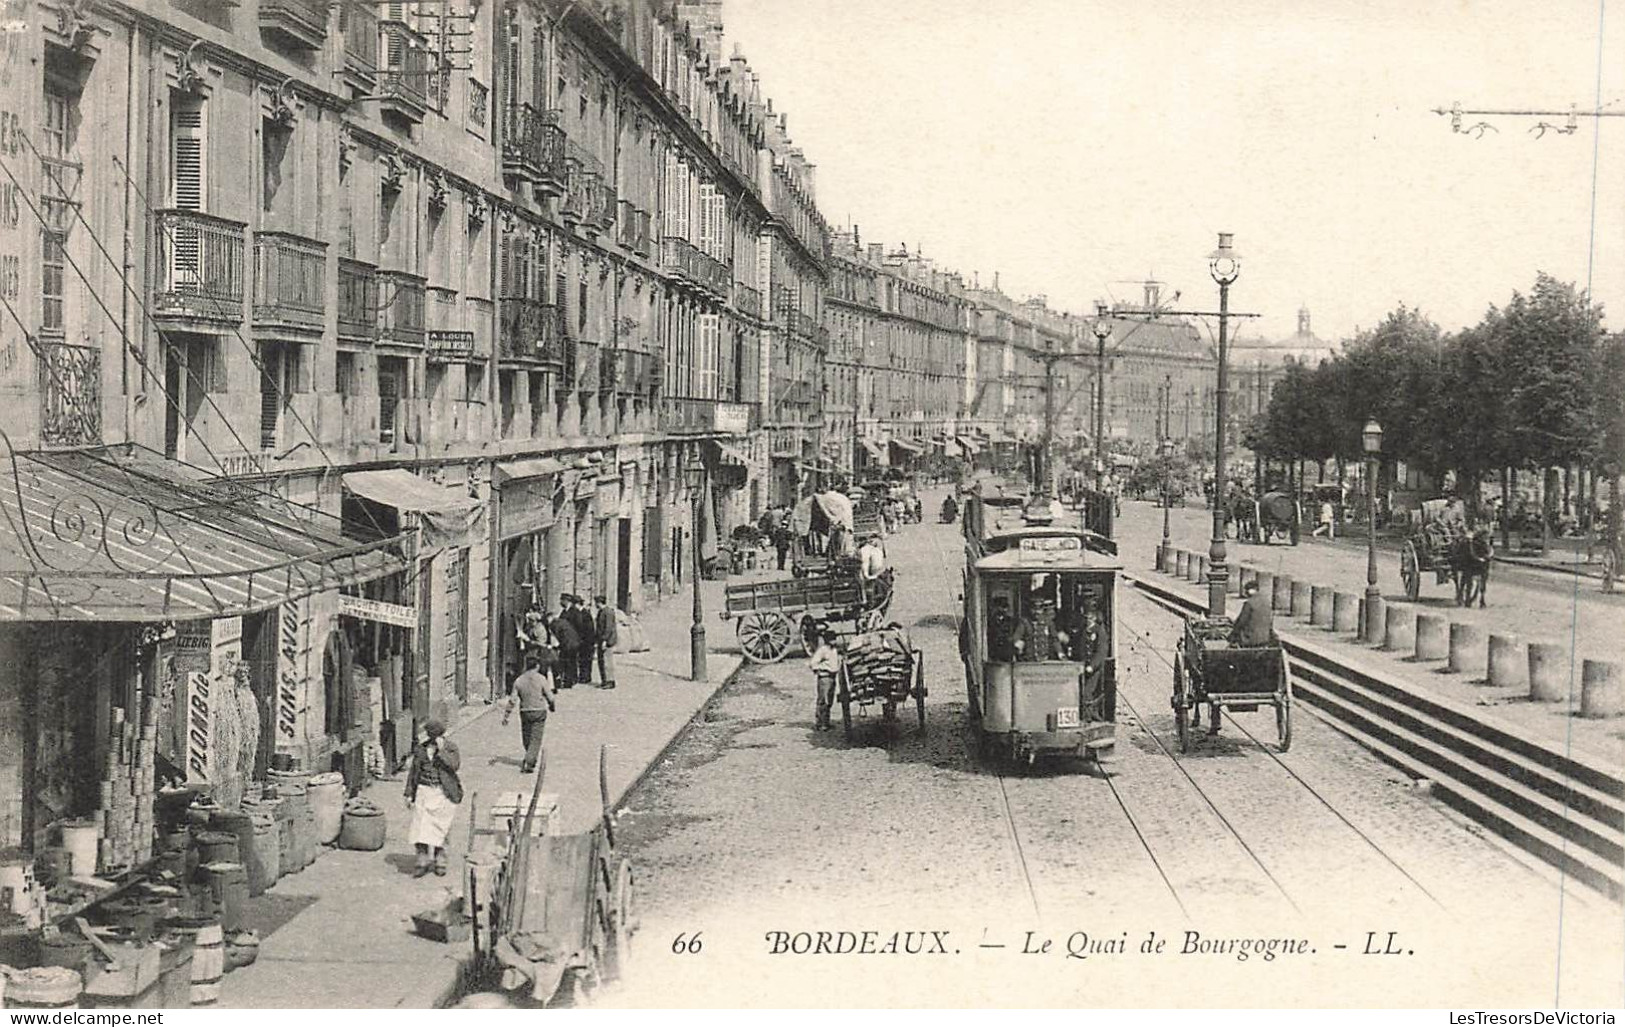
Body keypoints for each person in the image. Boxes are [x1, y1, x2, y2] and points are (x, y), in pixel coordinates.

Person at [404, 719, 462, 877]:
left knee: (441, 827)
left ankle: (440, 859)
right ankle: (422, 859)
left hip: (442, 792)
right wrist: (409, 793)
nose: (432, 738)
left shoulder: (450, 748)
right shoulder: (421, 749)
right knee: (420, 826)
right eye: (430, 735)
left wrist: (442, 750)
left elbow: (454, 766)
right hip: (424, 790)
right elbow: (414, 773)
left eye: (435, 735)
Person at [502, 654, 556, 774]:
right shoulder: (541, 679)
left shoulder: (519, 680)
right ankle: (529, 761)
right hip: (539, 711)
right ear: (537, 666)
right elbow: (550, 697)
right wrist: (552, 706)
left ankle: (529, 756)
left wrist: (506, 715)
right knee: (536, 738)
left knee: (527, 737)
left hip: (525, 711)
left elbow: (512, 700)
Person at [1012, 595, 1068, 662]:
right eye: (1034, 609)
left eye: (1039, 609)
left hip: (1046, 659)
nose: (1037, 612)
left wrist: (1060, 653)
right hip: (1029, 660)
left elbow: (1054, 639)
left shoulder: (1048, 622)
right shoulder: (1025, 623)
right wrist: (1017, 648)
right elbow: (1016, 638)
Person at [808, 629, 842, 731]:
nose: (834, 641)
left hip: (832, 677)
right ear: (827, 640)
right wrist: (821, 670)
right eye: (832, 639)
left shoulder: (834, 650)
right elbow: (813, 663)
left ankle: (826, 722)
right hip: (825, 677)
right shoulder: (822, 650)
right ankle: (820, 723)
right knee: (823, 700)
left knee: (830, 701)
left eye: (835, 639)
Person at [1229, 578, 1275, 647]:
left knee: (1233, 639)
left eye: (1246, 590)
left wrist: (1232, 633)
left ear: (1250, 590)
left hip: (1250, 639)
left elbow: (1241, 621)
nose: (1245, 593)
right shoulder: (1267, 602)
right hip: (1265, 638)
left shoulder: (1249, 603)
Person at [565, 594, 596, 686]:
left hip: (587, 640)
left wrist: (583, 639)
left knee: (586, 659)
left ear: (577, 604)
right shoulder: (580, 613)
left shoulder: (585, 614)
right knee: (582, 659)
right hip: (582, 640)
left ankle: (586, 677)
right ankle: (583, 676)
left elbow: (588, 629)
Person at [548, 605, 580, 689]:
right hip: (575, 643)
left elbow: (557, 637)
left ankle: (567, 683)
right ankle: (573, 680)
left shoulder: (554, 624)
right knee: (572, 662)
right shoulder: (562, 621)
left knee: (566, 663)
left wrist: (555, 646)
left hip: (568, 645)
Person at [592, 595, 617, 689]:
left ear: (599, 602)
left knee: (607, 662)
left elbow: (608, 628)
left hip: (607, 641)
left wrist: (605, 640)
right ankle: (604, 680)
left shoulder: (608, 612)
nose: (595, 605)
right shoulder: (601, 612)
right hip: (600, 640)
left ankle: (610, 681)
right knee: (601, 661)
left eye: (596, 603)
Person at [987, 595, 1016, 662]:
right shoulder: (991, 621)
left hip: (1006, 650)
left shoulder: (1009, 620)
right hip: (995, 650)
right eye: (1002, 607)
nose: (1005, 610)